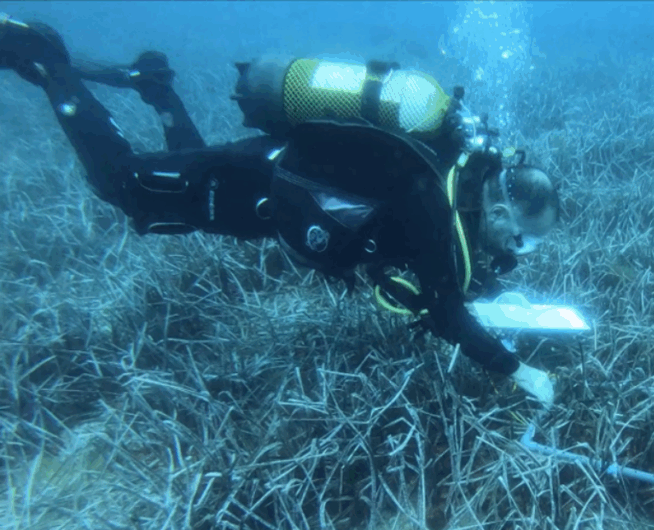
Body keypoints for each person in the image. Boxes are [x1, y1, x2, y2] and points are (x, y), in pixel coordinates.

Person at [0, 14, 560, 407]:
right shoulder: (434, 201)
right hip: (254, 186)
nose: (519, 254)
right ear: (502, 212)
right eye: (523, 240)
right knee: (121, 185)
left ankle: (157, 86)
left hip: (267, 184)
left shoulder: (455, 173)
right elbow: (445, 311)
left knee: (184, 178)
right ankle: (44, 58)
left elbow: (435, 273)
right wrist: (520, 372)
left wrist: (491, 297)